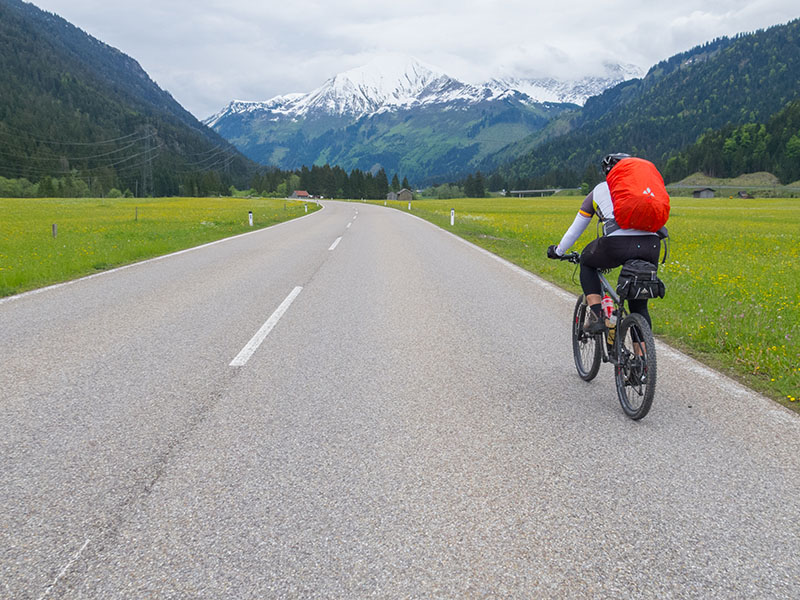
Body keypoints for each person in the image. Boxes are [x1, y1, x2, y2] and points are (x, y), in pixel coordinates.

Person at [547, 153, 665, 333]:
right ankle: (643, 358)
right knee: (639, 307)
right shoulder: (643, 190)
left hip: (617, 245)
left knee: (586, 260)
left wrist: (559, 251)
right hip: (651, 245)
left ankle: (596, 314)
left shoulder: (601, 189)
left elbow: (576, 228)